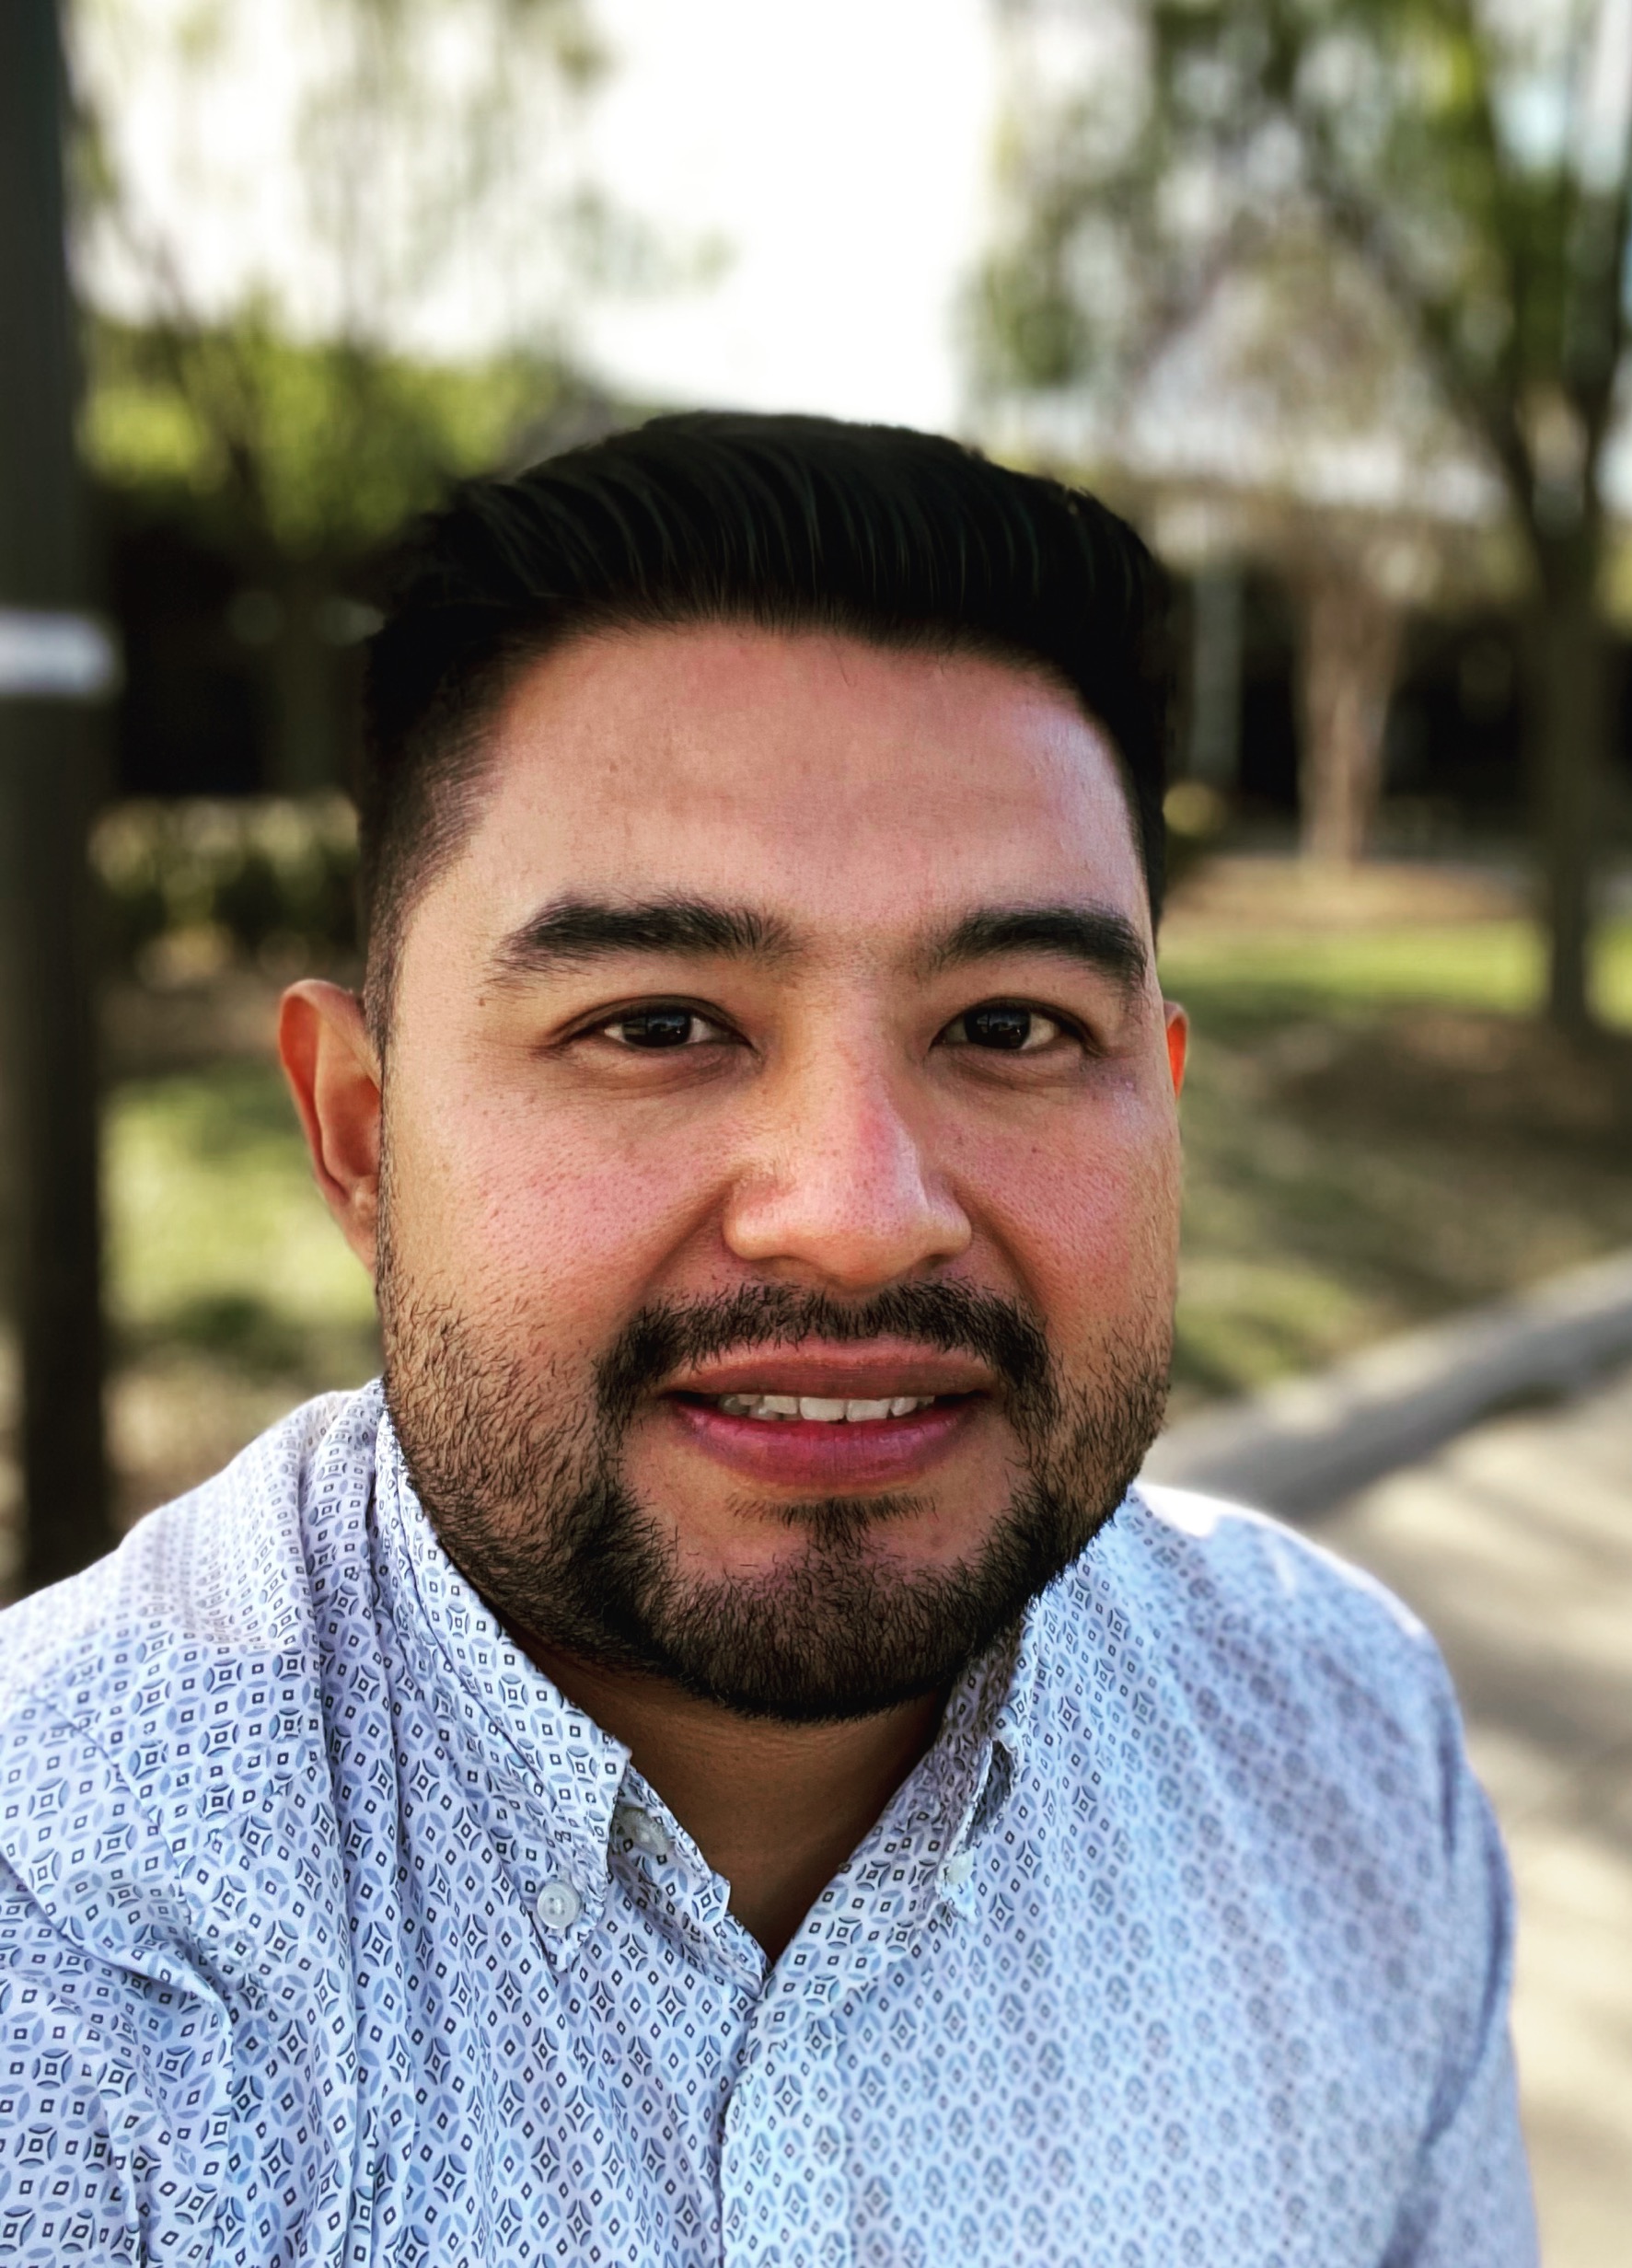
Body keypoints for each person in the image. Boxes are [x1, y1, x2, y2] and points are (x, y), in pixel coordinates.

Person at [0, 413, 1536, 2264]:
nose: (857, 1204)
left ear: (1163, 1103)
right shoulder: (62, 1963)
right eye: (655, 1022)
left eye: (1015, 1025)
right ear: (359, 1136)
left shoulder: (1341, 1749)